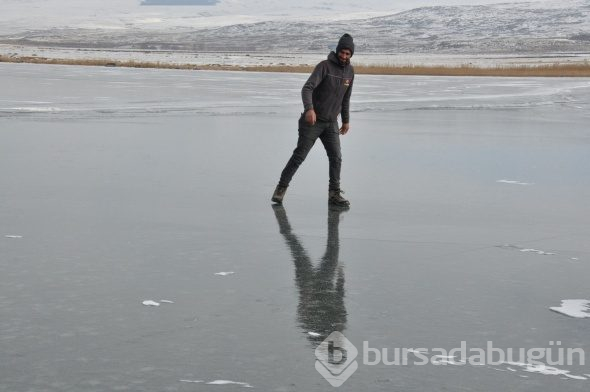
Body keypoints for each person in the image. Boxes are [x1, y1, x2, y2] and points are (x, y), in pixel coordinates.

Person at [271, 34, 355, 207]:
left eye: (348, 53)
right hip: (313, 122)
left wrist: (345, 121)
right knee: (299, 156)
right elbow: (307, 88)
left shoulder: (350, 72)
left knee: (336, 157)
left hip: (331, 123)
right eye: (342, 52)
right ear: (337, 50)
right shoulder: (324, 67)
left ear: (351, 54)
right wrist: (310, 109)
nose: (344, 56)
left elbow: (345, 99)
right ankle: (281, 189)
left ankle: (334, 194)